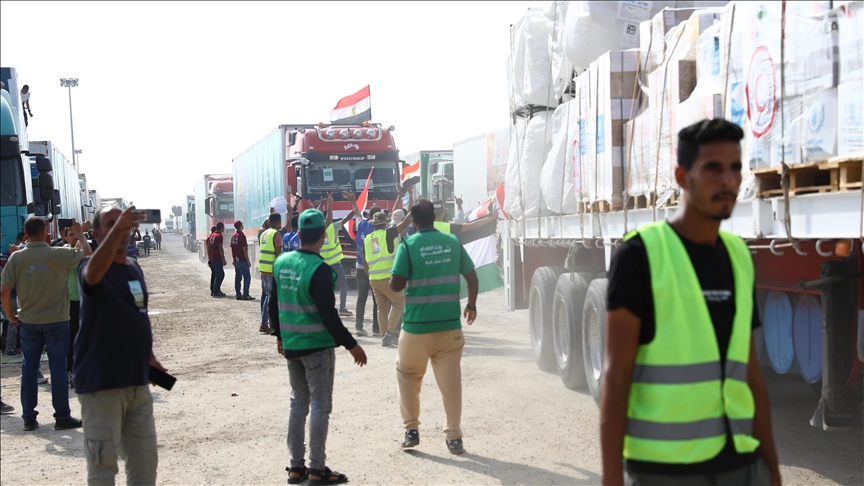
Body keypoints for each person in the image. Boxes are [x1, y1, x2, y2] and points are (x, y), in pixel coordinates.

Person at [601, 119, 781, 486]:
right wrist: (610, 479)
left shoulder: (738, 256)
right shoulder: (639, 256)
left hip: (741, 466)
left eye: (735, 168)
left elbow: (751, 375)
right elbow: (615, 378)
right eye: (713, 168)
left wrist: (773, 472)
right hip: (665, 472)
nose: (728, 181)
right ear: (682, 177)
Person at [269, 208, 367, 485]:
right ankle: (316, 468)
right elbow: (328, 314)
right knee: (320, 406)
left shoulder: (282, 263)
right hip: (317, 347)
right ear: (324, 237)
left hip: (291, 345)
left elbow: (273, 305)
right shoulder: (320, 270)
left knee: (297, 403)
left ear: (298, 234)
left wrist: (279, 336)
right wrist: (352, 345)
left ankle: (296, 467)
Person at [76, 206, 167, 485]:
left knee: (145, 465)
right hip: (101, 387)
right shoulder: (89, 269)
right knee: (103, 469)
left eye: (125, 225)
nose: (122, 231)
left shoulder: (134, 267)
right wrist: (119, 227)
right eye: (113, 225)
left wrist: (149, 357)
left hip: (137, 382)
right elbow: (93, 274)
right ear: (97, 234)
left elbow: (138, 311)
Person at [390, 199, 479, 455]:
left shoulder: (408, 245)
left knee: (407, 376)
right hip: (449, 327)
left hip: (416, 329)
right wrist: (471, 305)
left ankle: (411, 430)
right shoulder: (452, 242)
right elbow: (471, 277)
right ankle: (454, 437)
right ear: (436, 216)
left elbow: (396, 285)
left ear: (413, 220)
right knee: (450, 385)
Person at [0, 216, 91, 431]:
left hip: (29, 322)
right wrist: (80, 233)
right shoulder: (58, 254)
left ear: (26, 232)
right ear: (44, 232)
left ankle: (29, 418)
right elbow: (87, 253)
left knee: (29, 369)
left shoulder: (17, 259)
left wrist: (11, 317)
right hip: (57, 320)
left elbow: (4, 291)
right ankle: (62, 417)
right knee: (57, 369)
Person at [364, 196, 414, 347]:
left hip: (374, 278)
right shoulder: (389, 233)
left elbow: (365, 261)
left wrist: (371, 276)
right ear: (385, 224)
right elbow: (406, 222)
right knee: (400, 302)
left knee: (382, 307)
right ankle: (390, 332)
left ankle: (384, 335)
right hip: (388, 277)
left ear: (373, 224)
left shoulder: (368, 239)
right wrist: (414, 209)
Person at [319, 193, 355, 318]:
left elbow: (320, 217)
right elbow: (349, 216)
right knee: (343, 284)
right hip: (335, 263)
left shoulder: (316, 230)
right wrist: (354, 204)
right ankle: (342, 308)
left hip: (322, 264)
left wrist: (322, 205)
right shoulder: (333, 226)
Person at [350, 201, 380, 337]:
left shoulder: (361, 224)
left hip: (360, 267)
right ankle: (376, 328)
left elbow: (356, 212)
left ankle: (358, 327)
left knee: (361, 297)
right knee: (376, 299)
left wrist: (352, 200)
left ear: (369, 215)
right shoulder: (380, 230)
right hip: (374, 269)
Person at [65, 226, 87, 390]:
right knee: (70, 339)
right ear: (65, 237)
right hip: (69, 302)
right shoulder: (62, 252)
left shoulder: (86, 249)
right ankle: (70, 372)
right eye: (71, 235)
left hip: (85, 301)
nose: (74, 237)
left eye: (76, 234)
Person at [431, 199, 498, 244]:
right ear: (444, 212)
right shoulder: (449, 227)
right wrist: (492, 217)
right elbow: (471, 226)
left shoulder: (423, 229)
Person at [2, 231, 25, 356]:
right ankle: (10, 348)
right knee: (13, 322)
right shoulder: (10, 256)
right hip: (12, 294)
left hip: (15, 293)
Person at [259, 213, 282, 334]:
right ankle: (264, 323)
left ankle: (266, 322)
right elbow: (278, 254)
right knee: (270, 297)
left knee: (266, 295)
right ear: (279, 222)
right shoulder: (276, 234)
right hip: (271, 269)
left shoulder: (264, 233)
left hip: (263, 268)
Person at [230, 221, 254, 301]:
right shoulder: (242, 236)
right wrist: (248, 261)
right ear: (240, 226)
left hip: (236, 260)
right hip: (242, 260)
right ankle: (245, 294)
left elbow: (232, 248)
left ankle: (238, 294)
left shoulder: (233, 236)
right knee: (247, 276)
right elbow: (244, 249)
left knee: (237, 278)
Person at [207, 222, 227, 297]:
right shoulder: (219, 236)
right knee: (220, 275)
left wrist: (209, 257)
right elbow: (220, 248)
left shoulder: (212, 235)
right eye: (223, 227)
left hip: (212, 258)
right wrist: (223, 259)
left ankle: (214, 290)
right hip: (217, 258)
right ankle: (216, 291)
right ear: (221, 228)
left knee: (215, 275)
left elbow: (208, 247)